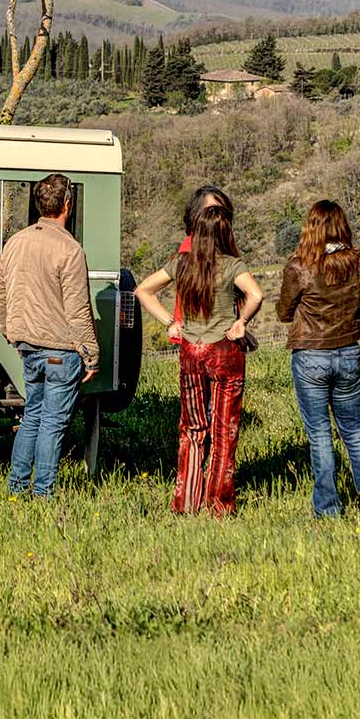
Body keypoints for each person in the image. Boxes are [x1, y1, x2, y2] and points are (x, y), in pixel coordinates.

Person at [276, 200, 360, 516]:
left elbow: (283, 313)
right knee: (354, 432)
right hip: (348, 352)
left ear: (310, 229)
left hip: (311, 355)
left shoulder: (299, 267)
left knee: (320, 436)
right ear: (342, 227)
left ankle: (328, 508)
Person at [134, 202, 262, 515]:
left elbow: (143, 291)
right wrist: (241, 321)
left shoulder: (181, 263)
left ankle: (186, 502)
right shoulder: (233, 265)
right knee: (223, 430)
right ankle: (218, 504)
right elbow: (256, 295)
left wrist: (170, 323)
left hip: (191, 352)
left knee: (191, 429)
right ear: (224, 232)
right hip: (224, 351)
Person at [0, 172, 98, 498]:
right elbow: (79, 310)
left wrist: (10, 332)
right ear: (67, 204)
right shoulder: (70, 250)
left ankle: (17, 487)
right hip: (60, 349)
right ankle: (43, 494)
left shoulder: (16, 242)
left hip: (28, 346)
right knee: (53, 424)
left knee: (31, 418)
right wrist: (91, 355)